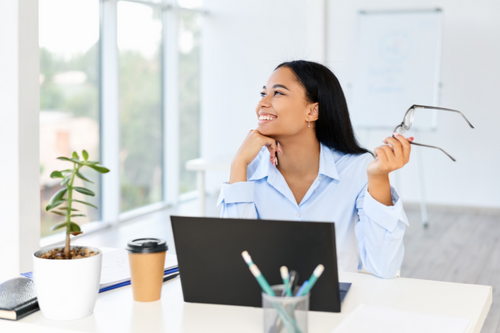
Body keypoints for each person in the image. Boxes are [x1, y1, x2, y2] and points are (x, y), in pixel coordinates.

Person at [217, 60, 412, 279]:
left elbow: (384, 267)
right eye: (263, 94)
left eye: (278, 93)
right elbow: (235, 259)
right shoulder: (249, 168)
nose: (262, 103)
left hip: (338, 307)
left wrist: (379, 179)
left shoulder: (357, 168)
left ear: (313, 111)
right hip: (266, 299)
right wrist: (238, 163)